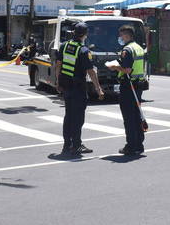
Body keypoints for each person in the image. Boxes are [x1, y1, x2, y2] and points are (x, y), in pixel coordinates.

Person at [54, 23, 104, 156]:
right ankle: (76, 145)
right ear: (85, 34)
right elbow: (91, 72)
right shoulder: (83, 50)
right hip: (78, 88)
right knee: (78, 118)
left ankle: (67, 144)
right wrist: (98, 89)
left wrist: (58, 81)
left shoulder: (64, 46)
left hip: (66, 86)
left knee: (68, 116)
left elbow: (58, 65)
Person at [108, 25, 146, 155]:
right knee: (136, 116)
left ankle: (130, 146)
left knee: (129, 118)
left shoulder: (127, 50)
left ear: (127, 35)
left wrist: (114, 67)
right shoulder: (138, 48)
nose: (121, 38)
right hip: (138, 86)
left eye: (122, 35)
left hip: (128, 86)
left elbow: (127, 70)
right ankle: (139, 145)